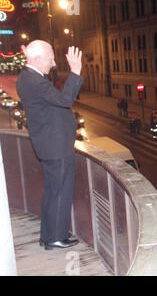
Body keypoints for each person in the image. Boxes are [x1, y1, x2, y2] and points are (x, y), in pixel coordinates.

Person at [17, 41, 83, 250]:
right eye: (50, 58)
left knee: (53, 191)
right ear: (36, 59)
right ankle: (56, 237)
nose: (54, 63)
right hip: (56, 146)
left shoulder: (29, 78)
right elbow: (65, 99)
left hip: (50, 144)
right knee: (60, 191)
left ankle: (49, 235)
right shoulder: (34, 80)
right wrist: (76, 70)